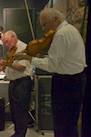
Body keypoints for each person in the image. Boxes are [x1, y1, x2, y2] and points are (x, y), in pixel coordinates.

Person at [14, 8, 87, 137]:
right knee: (70, 124)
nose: (43, 28)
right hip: (77, 80)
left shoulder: (61, 34)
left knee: (61, 124)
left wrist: (28, 58)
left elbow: (53, 66)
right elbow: (63, 60)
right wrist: (43, 58)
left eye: (45, 24)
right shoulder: (71, 30)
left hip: (66, 84)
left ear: (55, 19)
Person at [0, 30, 33, 137]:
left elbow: (21, 67)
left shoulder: (23, 48)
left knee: (21, 111)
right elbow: (8, 65)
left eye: (7, 42)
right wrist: (0, 68)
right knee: (14, 110)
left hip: (22, 82)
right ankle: (17, 133)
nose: (7, 45)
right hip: (13, 82)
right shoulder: (11, 50)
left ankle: (20, 134)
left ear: (14, 37)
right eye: (5, 43)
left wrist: (6, 63)